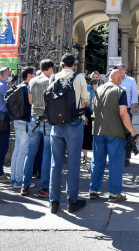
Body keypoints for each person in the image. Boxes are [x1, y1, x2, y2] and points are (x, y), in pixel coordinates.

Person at [89, 68, 139, 203]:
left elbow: (94, 109)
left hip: (98, 132)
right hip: (115, 133)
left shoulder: (97, 90)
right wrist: (133, 132)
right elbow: (123, 114)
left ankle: (93, 190)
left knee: (97, 162)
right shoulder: (119, 92)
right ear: (118, 79)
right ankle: (114, 193)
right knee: (115, 163)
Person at [48, 53, 90, 214]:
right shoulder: (79, 78)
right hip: (74, 123)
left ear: (61, 64)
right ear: (74, 64)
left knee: (55, 163)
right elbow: (86, 101)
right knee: (73, 163)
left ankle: (54, 202)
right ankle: (72, 201)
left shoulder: (54, 77)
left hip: (57, 124)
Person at [21, 59, 55, 197]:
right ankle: (44, 187)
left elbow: (30, 101)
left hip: (34, 119)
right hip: (47, 119)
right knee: (47, 154)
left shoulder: (32, 81)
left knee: (30, 153)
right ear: (51, 69)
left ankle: (25, 185)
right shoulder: (50, 83)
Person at [10, 66, 34, 187]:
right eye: (33, 74)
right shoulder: (28, 88)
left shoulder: (18, 86)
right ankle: (19, 180)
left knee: (17, 150)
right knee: (23, 151)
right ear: (29, 75)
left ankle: (13, 177)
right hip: (25, 121)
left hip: (17, 120)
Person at [117, 64, 138, 167]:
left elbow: (134, 96)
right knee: (116, 133)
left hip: (127, 109)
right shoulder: (114, 80)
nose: (118, 72)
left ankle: (127, 157)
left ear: (124, 71)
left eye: (120, 70)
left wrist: (132, 110)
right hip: (115, 110)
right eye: (117, 70)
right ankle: (117, 156)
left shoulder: (131, 80)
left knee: (128, 134)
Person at [83, 72, 101, 167]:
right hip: (89, 113)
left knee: (98, 135)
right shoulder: (87, 88)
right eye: (93, 77)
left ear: (99, 78)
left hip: (99, 114)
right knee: (87, 134)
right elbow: (83, 101)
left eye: (96, 77)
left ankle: (98, 157)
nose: (95, 79)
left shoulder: (103, 88)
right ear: (91, 79)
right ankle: (85, 157)